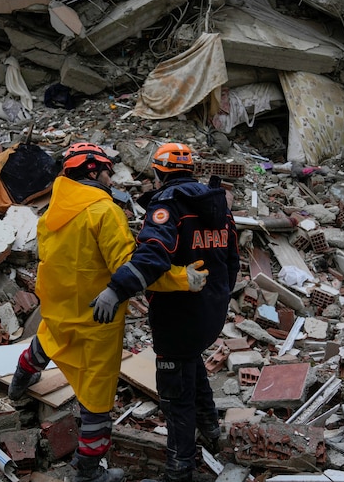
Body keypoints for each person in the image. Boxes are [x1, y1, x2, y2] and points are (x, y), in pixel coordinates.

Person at [8, 142, 207, 482]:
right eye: (107, 171)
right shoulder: (105, 213)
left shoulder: (52, 211)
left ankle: (18, 387)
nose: (111, 177)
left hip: (57, 312)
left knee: (42, 347)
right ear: (92, 171)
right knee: (96, 403)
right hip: (96, 322)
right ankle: (88, 472)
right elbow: (131, 270)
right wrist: (182, 279)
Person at [92, 143, 240, 482]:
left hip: (178, 315)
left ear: (160, 173)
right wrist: (218, 297)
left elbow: (154, 257)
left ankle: (178, 469)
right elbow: (232, 260)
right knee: (191, 362)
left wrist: (117, 289)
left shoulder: (167, 205)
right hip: (211, 311)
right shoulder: (217, 202)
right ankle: (211, 431)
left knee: (174, 394)